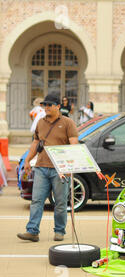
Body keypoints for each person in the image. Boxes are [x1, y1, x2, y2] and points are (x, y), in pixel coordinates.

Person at [17, 94, 79, 242]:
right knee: (37, 200)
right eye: (44, 105)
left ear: (58, 106)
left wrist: (69, 166)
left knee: (60, 202)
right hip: (41, 167)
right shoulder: (40, 123)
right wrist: (28, 160)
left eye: (49, 105)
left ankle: (59, 231)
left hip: (60, 170)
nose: (46, 107)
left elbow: (74, 145)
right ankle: (32, 231)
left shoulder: (68, 123)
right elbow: (35, 143)